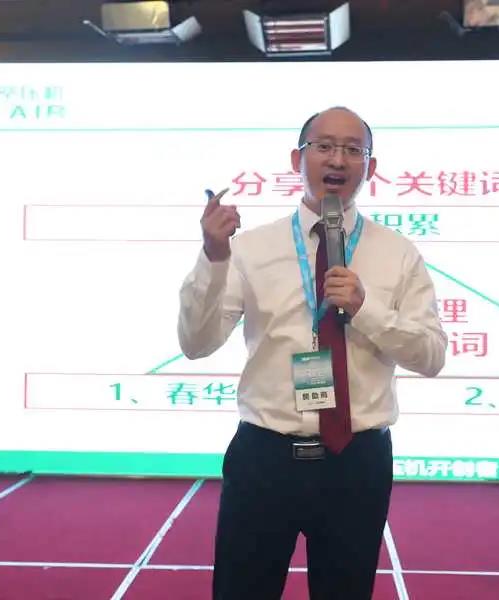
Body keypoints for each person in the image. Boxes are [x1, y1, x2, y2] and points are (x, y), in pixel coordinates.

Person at [177, 106, 448, 599]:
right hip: (265, 457)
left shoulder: (397, 252)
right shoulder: (250, 249)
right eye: (323, 146)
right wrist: (214, 258)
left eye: (352, 149)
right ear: (296, 159)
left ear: (370, 166)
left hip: (356, 461)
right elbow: (196, 345)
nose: (337, 159)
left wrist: (366, 309)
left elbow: (431, 356)